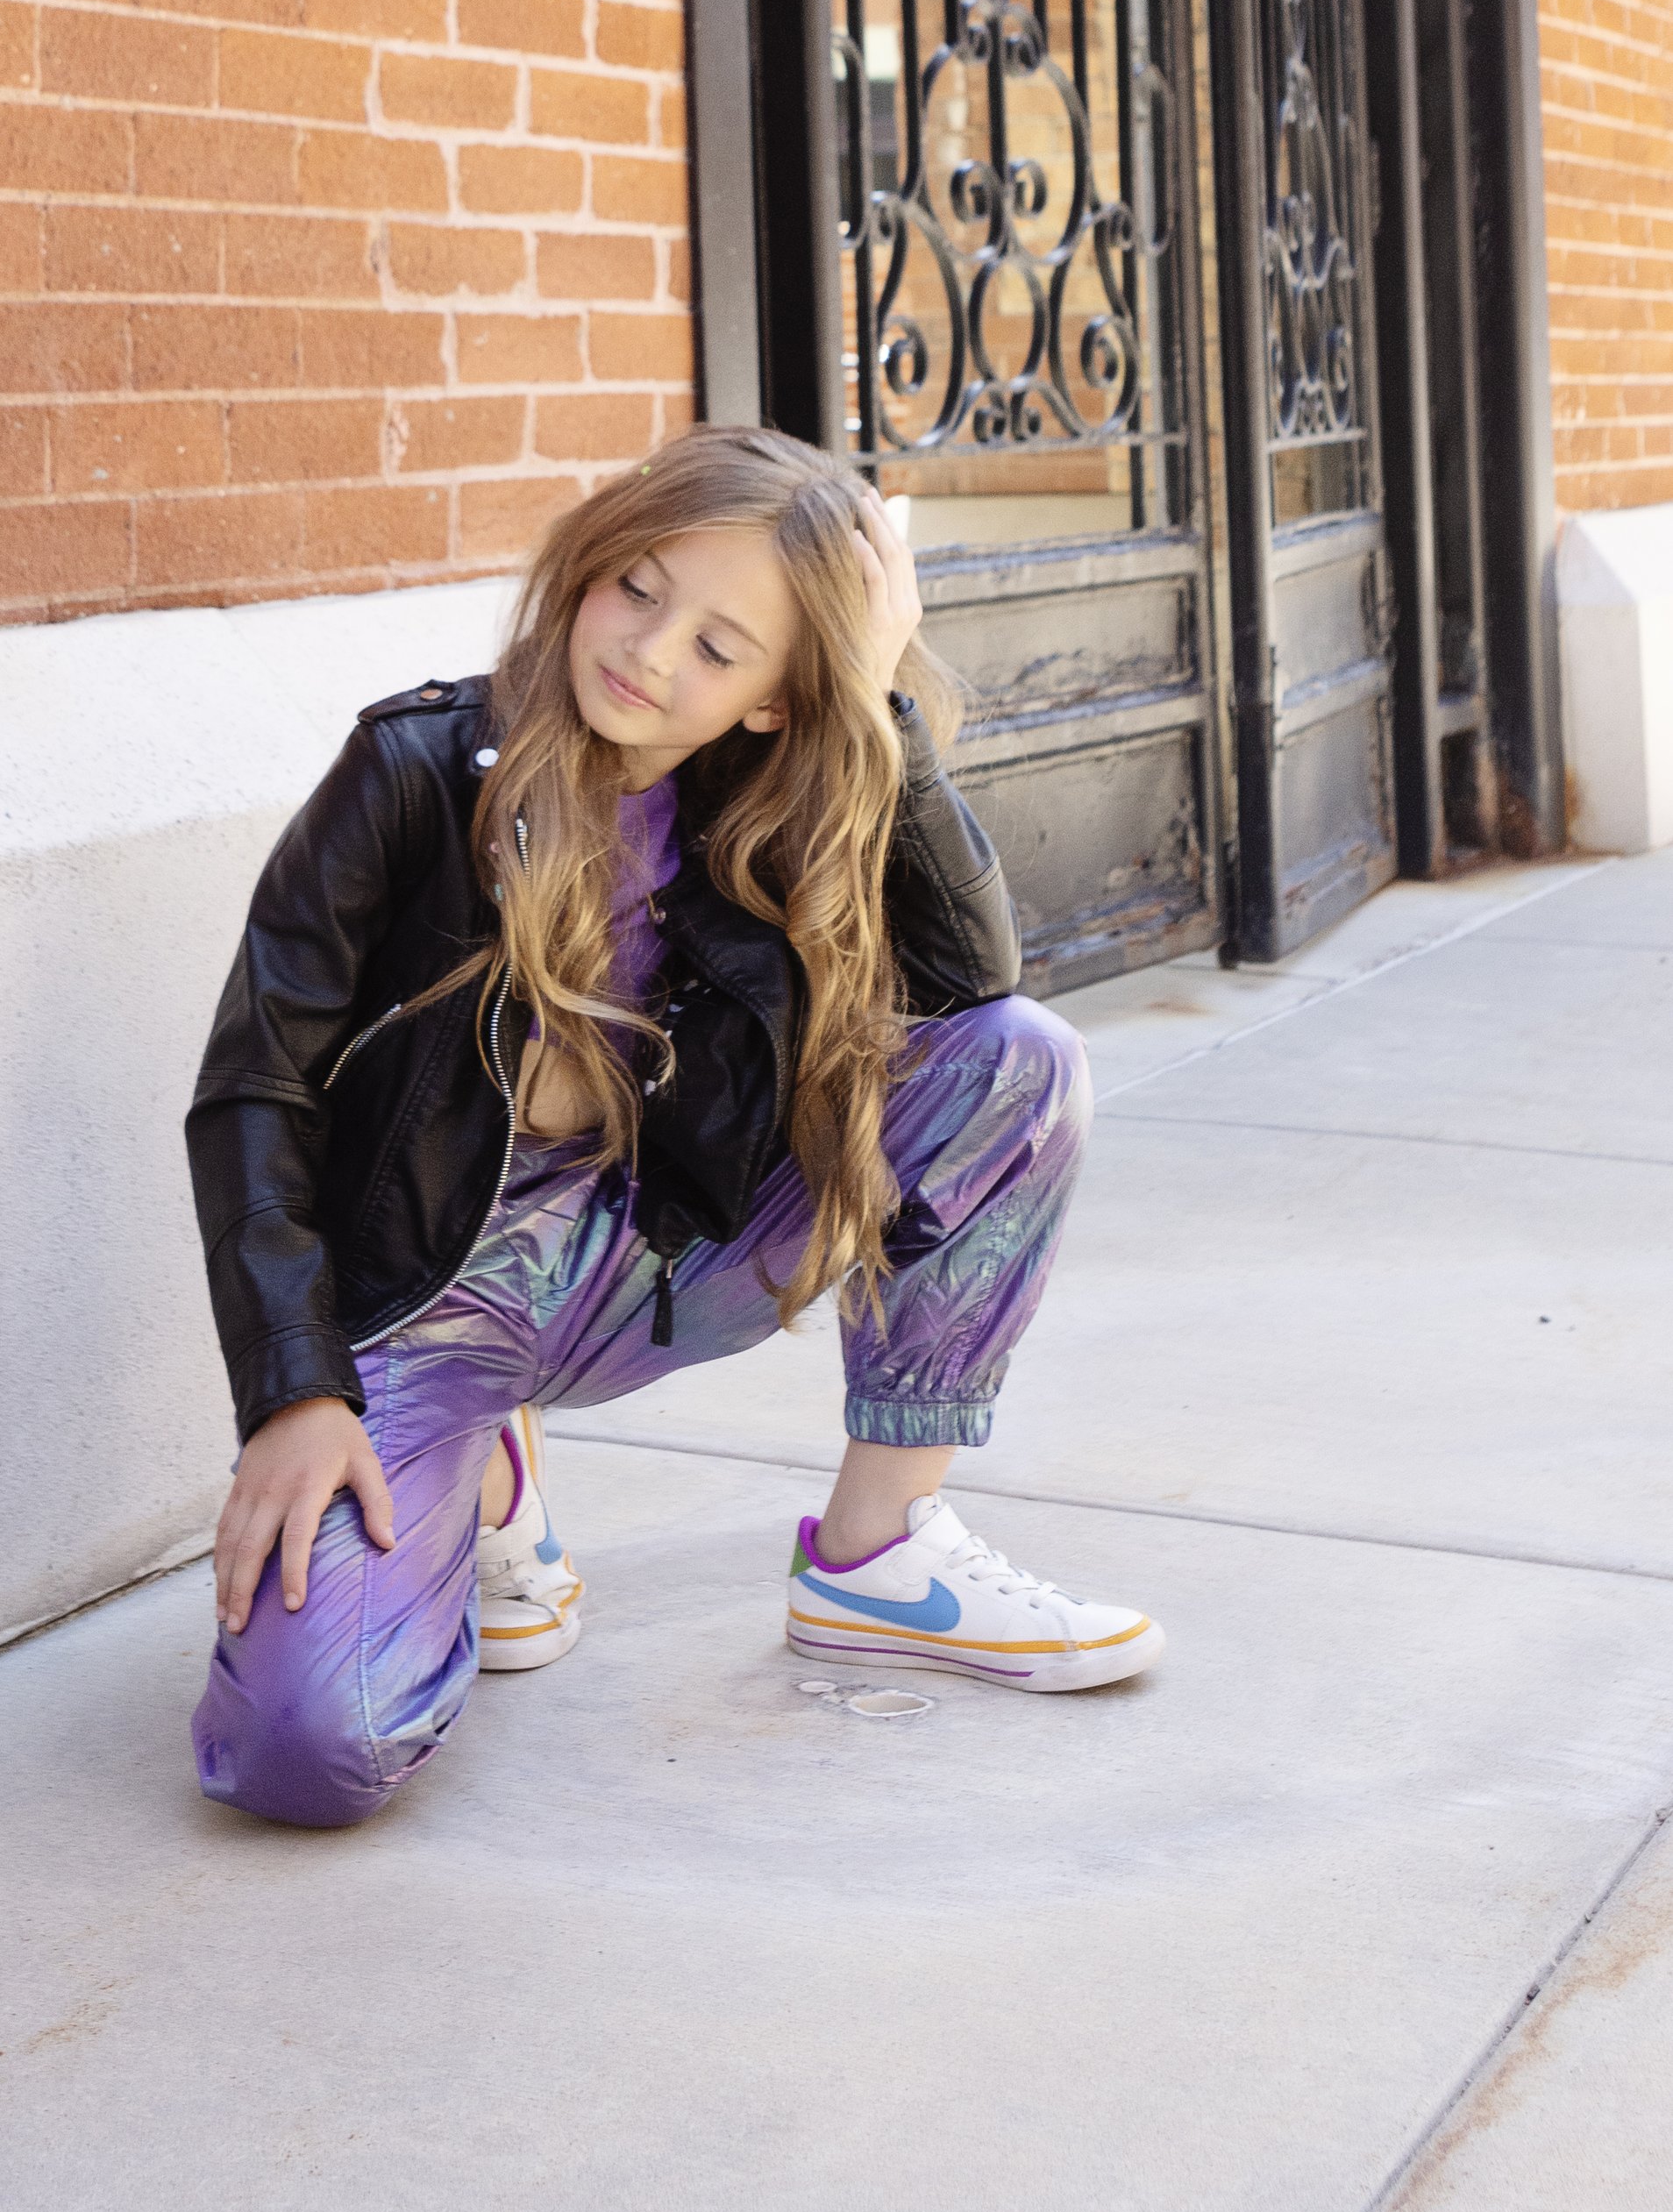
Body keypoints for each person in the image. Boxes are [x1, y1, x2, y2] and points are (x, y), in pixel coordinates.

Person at [184, 427, 1160, 1829]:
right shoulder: (412, 769)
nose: (648, 651)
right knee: (308, 1753)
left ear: (775, 697)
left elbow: (972, 986)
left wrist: (878, 695)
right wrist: (296, 1387)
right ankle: (475, 1464)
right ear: (594, 560)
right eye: (638, 587)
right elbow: (253, 1086)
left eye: (721, 646)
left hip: (657, 1257)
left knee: (1021, 1062)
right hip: (429, 1297)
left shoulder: (771, 808)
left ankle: (875, 1552)